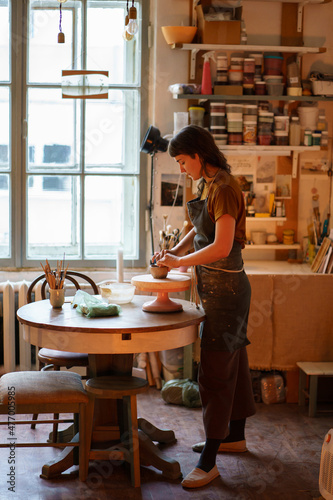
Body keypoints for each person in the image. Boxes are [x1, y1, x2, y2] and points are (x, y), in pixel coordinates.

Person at [154, 125, 256, 489]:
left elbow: (223, 246)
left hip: (228, 291)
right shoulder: (208, 183)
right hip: (215, 287)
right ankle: (234, 437)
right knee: (235, 362)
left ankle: (209, 460)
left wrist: (182, 264)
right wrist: (175, 253)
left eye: (183, 161)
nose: (182, 169)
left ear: (199, 154)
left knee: (214, 372)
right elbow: (197, 228)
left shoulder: (225, 188)